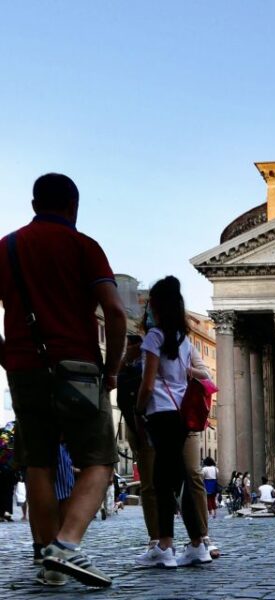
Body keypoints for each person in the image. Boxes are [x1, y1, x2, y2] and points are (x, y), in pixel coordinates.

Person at [0, 173, 126, 588]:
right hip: (77, 369)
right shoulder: (84, 246)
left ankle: (48, 564)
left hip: (23, 367)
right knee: (100, 460)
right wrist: (112, 370)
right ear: (73, 206)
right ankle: (65, 546)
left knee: (38, 463)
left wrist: (6, 354)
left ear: (34, 204)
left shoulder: (8, 247)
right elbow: (116, 311)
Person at [134, 276, 211, 568]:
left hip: (160, 413)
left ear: (158, 304)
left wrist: (139, 409)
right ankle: (195, 543)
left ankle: (166, 547)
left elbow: (148, 382)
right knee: (177, 480)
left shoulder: (154, 337)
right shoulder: (183, 339)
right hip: (180, 415)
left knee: (163, 482)